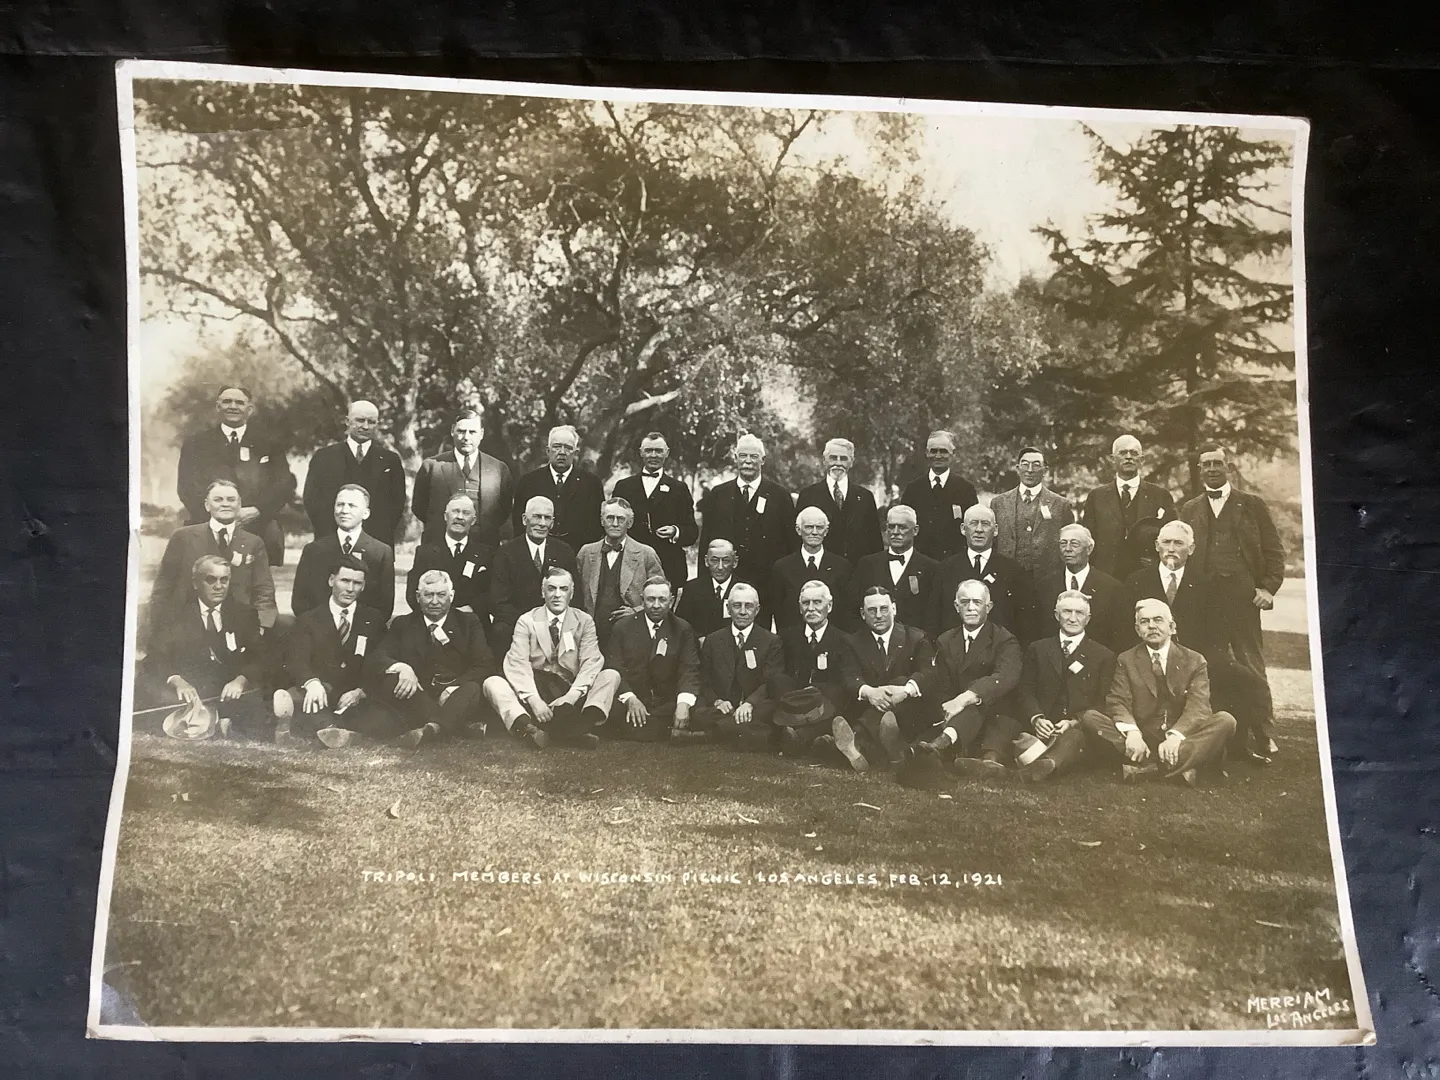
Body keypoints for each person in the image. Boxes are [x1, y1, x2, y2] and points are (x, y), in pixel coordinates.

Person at [1179, 442, 1285, 757]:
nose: (1212, 468)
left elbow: (1274, 550)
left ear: (1229, 467)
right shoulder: (1189, 508)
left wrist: (1268, 588)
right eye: (1206, 464)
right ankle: (1209, 730)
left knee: (1250, 664)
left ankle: (1263, 734)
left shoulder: (1252, 504)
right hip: (1203, 600)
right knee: (1202, 664)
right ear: (1199, 469)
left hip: (1242, 599)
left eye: (1217, 463)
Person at [1080, 598, 1237, 784]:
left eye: (1158, 620)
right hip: (1143, 735)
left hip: (1181, 736)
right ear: (1138, 630)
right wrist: (1133, 734)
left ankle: (1148, 769)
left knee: (1226, 720)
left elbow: (1198, 707)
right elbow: (1118, 701)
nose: (1151, 626)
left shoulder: (1195, 660)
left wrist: (1175, 736)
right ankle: (1178, 766)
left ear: (1172, 627)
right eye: (1144, 622)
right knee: (1090, 718)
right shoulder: (1126, 659)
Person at [360, 570, 502, 748]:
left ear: (451, 596)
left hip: (457, 694)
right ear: (418, 597)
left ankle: (432, 729)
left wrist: (453, 688)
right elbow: (378, 656)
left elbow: (485, 664)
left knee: (472, 688)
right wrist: (403, 668)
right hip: (420, 696)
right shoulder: (403, 624)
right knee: (392, 681)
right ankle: (456, 727)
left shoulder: (468, 622)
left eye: (441, 595)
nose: (435, 601)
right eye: (428, 595)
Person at [485, 566, 622, 749]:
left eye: (563, 589)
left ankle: (564, 728)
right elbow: (517, 663)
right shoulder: (527, 620)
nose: (557, 595)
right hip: (536, 690)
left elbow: (591, 662)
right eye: (551, 589)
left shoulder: (584, 621)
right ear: (543, 593)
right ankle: (552, 730)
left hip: (570, 693)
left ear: (571, 593)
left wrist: (571, 697)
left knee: (611, 675)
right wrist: (534, 700)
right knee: (492, 683)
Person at [136, 554, 267, 737]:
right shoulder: (174, 615)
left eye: (224, 580)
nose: (219, 586)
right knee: (155, 696)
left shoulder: (244, 614)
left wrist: (241, 680)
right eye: (211, 580)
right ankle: (216, 721)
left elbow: (260, 655)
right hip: (188, 689)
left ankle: (214, 720)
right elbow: (156, 656)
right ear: (196, 583)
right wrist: (177, 681)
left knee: (257, 702)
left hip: (227, 690)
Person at [910, 580, 1023, 775]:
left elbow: (1005, 676)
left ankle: (943, 748)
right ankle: (935, 750)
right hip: (959, 717)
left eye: (977, 602)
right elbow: (942, 684)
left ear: (988, 607)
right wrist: (950, 707)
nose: (970, 608)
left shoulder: (1004, 639)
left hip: (995, 713)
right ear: (956, 606)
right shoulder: (946, 640)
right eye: (964, 602)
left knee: (976, 707)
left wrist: (965, 698)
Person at [272, 556, 387, 747]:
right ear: (331, 580)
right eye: (345, 581)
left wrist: (361, 692)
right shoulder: (308, 619)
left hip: (355, 696)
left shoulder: (373, 619)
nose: (350, 588)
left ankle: (338, 731)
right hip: (321, 691)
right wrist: (312, 683)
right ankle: (327, 727)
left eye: (357, 583)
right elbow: (297, 660)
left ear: (363, 586)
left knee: (379, 719)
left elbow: (379, 660)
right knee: (313, 707)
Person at [176, 385, 296, 564]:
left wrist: (257, 510)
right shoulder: (196, 444)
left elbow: (283, 484)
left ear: (249, 409)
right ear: (218, 407)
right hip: (208, 527)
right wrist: (219, 514)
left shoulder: (269, 443)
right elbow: (187, 487)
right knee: (208, 577)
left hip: (258, 527)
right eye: (227, 401)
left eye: (239, 402)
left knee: (256, 580)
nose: (233, 406)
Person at [1013, 590, 1117, 781]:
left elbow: (1103, 701)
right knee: (1013, 729)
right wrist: (1037, 718)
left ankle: (1046, 764)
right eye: (1067, 612)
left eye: (1079, 613)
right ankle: (1037, 759)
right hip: (1042, 725)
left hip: (1076, 730)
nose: (1072, 618)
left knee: (1074, 739)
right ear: (1056, 615)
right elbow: (1025, 690)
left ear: (1088, 618)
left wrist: (1073, 722)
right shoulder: (1038, 649)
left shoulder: (1103, 655)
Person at [148, 479, 277, 633]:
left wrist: (261, 625)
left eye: (231, 499)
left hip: (238, 626)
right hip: (189, 627)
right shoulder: (183, 537)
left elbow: (264, 590)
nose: (225, 504)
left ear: (239, 504)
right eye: (218, 500)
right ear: (207, 505)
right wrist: (161, 627)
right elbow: (164, 587)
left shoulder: (253, 543)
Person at [697, 433, 797, 621]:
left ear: (763, 460)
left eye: (753, 456)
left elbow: (791, 544)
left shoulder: (779, 495)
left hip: (767, 585)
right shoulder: (718, 494)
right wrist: (705, 583)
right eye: (743, 456)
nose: (748, 461)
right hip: (727, 582)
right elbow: (706, 541)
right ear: (735, 458)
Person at [837, 586, 935, 770]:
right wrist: (870, 693)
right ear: (863, 614)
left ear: (894, 609)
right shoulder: (852, 642)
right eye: (872, 610)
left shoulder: (916, 637)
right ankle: (878, 749)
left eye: (884, 609)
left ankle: (857, 741)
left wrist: (905, 691)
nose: (878, 615)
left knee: (900, 681)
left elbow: (927, 673)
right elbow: (849, 677)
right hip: (869, 706)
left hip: (908, 712)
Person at [604, 576, 701, 741]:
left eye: (662, 600)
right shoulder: (622, 627)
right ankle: (673, 732)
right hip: (634, 698)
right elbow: (614, 667)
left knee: (697, 709)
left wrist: (683, 704)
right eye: (651, 599)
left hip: (667, 701)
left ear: (671, 601)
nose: (656, 605)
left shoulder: (682, 628)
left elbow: (689, 669)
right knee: (613, 714)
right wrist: (630, 699)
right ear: (642, 600)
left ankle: (656, 727)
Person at [689, 583, 783, 750]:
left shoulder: (771, 641)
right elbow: (704, 679)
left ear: (757, 610)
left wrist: (749, 703)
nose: (742, 612)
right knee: (698, 712)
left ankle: (710, 734)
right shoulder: (713, 640)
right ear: (728, 608)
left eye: (749, 606)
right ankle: (739, 731)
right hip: (722, 708)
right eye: (737, 606)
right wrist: (717, 701)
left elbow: (770, 682)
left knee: (770, 711)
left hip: (753, 707)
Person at [302, 400, 407, 546]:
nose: (365, 426)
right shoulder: (324, 457)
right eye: (360, 420)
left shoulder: (390, 460)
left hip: (376, 542)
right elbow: (311, 499)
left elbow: (397, 503)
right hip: (330, 540)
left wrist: (380, 535)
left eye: (371, 422)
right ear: (347, 421)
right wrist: (329, 532)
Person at [411, 408, 515, 548]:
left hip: (484, 548)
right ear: (452, 431)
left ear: (481, 434)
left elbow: (505, 510)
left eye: (472, 432)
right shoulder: (431, 467)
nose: (466, 437)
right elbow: (419, 507)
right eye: (461, 431)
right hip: (439, 547)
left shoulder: (498, 469)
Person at [487, 496, 579, 653]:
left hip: (556, 621)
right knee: (500, 630)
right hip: (518, 622)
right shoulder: (506, 553)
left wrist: (553, 621)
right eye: (537, 517)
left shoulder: (564, 551)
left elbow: (575, 596)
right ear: (525, 519)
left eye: (547, 518)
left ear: (552, 522)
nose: (542, 523)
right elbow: (499, 601)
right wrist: (531, 624)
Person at [610, 432, 698, 592]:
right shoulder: (624, 487)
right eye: (649, 450)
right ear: (641, 452)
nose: (653, 455)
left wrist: (675, 531)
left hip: (668, 566)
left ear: (667, 453)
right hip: (629, 564)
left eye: (658, 451)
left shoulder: (679, 489)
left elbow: (692, 532)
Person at [290, 484, 396, 618]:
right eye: (340, 504)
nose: (344, 510)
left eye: (352, 505)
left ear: (366, 513)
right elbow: (300, 601)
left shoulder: (380, 552)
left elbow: (385, 605)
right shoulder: (314, 550)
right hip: (319, 627)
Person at [774, 580, 852, 758]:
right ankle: (805, 738)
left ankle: (799, 737)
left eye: (817, 602)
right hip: (793, 703)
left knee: (837, 693)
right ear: (800, 608)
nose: (811, 608)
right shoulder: (786, 637)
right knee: (778, 681)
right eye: (805, 603)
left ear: (829, 606)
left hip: (824, 705)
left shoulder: (844, 640)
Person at [575, 497, 665, 650]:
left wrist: (636, 611)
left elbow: (662, 596)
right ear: (602, 521)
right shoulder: (586, 552)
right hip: (592, 634)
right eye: (610, 518)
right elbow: (574, 593)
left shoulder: (645, 554)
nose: (615, 523)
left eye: (620, 519)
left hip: (631, 634)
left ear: (630, 523)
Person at [1082, 434, 1176, 580]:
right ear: (1112, 459)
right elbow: (1088, 539)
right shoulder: (1096, 496)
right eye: (1123, 452)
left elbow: (1171, 537)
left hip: (1147, 576)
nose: (1128, 457)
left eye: (1134, 453)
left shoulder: (1159, 495)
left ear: (1142, 460)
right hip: (1106, 575)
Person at [931, 504, 1030, 637]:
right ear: (963, 529)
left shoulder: (1013, 570)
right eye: (973, 523)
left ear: (995, 530)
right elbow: (933, 619)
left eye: (985, 524)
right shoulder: (945, 569)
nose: (979, 529)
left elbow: (1024, 621)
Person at [1124, 520, 1215, 655]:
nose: (1171, 549)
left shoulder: (1206, 586)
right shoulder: (1136, 582)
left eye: (1178, 543)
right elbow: (1126, 631)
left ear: (1191, 549)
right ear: (1157, 545)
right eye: (1166, 542)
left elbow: (1213, 639)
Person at [991, 446, 1076, 587]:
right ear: (1018, 468)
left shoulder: (1061, 505)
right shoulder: (998, 503)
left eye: (1036, 465)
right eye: (1025, 464)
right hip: (1006, 579)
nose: (1030, 470)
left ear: (1045, 470)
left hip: (1046, 582)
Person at [510, 424, 605, 550]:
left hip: (578, 553)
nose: (562, 452)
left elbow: (597, 526)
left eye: (568, 448)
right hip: (538, 553)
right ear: (548, 451)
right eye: (556, 447)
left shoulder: (591, 483)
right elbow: (518, 523)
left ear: (576, 453)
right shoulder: (528, 482)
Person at [1033, 523, 1125, 650]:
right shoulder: (1045, 585)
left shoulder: (1111, 587)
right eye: (1063, 543)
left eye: (1074, 544)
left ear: (1089, 549)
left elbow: (1118, 636)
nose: (1068, 549)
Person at [853, 504, 939, 637]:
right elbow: (854, 608)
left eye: (902, 527)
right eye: (891, 527)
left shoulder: (931, 568)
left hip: (916, 643)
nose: (895, 532)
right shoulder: (868, 564)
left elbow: (934, 615)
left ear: (915, 530)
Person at [406, 494, 493, 626]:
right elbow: (413, 594)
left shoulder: (485, 554)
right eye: (455, 511)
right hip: (434, 621)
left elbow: (491, 593)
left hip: (472, 622)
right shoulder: (425, 552)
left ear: (473, 520)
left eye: (466, 513)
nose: (460, 517)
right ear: (446, 516)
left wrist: (472, 609)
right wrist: (441, 615)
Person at [794, 437, 883, 564]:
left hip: (857, 571)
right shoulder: (808, 495)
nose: (838, 463)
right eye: (833, 458)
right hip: (821, 571)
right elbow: (797, 540)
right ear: (824, 461)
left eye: (844, 458)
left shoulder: (865, 497)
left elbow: (875, 543)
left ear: (851, 462)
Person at [770, 506, 856, 632]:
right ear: (798, 530)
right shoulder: (782, 567)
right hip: (793, 639)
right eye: (809, 527)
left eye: (819, 527)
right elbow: (778, 611)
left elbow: (847, 612)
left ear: (826, 531)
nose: (814, 532)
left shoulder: (842, 567)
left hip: (832, 639)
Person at [901, 429, 979, 563]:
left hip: (954, 562)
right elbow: (904, 527)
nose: (938, 456)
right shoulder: (913, 489)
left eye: (943, 451)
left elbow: (973, 529)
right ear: (927, 453)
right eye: (933, 451)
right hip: (920, 563)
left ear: (953, 454)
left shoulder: (966, 489)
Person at [674, 539, 748, 641]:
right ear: (706, 561)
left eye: (726, 561)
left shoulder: (745, 590)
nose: (720, 567)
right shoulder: (692, 588)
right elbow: (681, 624)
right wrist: (698, 638)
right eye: (714, 560)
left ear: (735, 562)